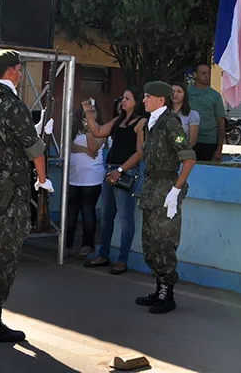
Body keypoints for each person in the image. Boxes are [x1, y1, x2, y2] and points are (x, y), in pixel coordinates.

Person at [0, 49, 52, 343]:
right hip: (14, 188)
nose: (21, 73)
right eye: (19, 69)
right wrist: (42, 181)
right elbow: (34, 149)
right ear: (11, 70)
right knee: (6, 252)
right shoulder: (13, 105)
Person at [134, 81, 195, 315]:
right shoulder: (152, 123)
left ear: (161, 100)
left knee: (164, 243)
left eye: (148, 96)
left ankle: (167, 295)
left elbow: (188, 158)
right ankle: (158, 288)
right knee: (150, 243)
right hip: (151, 190)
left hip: (165, 190)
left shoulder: (170, 123)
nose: (144, 100)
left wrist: (176, 190)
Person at [84, 89, 145, 273]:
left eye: (127, 98)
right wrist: (89, 115)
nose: (123, 101)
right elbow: (98, 131)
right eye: (122, 98)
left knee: (126, 218)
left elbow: (140, 152)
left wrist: (121, 170)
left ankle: (122, 260)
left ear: (136, 102)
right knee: (106, 216)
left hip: (124, 172)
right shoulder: (119, 120)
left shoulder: (141, 122)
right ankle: (103, 255)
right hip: (111, 170)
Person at [65, 103, 104, 259]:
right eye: (87, 111)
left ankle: (87, 244)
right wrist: (84, 150)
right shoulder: (74, 128)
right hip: (74, 177)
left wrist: (89, 128)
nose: (89, 113)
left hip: (92, 178)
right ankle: (67, 244)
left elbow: (94, 147)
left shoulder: (101, 129)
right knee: (71, 212)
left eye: (93, 111)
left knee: (88, 211)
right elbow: (69, 146)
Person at [187, 64, 226, 161]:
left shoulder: (215, 96)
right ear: (195, 75)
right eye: (203, 73)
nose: (206, 76)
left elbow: (221, 122)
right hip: (189, 141)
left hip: (209, 141)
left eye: (208, 73)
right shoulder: (186, 93)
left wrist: (219, 149)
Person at [171, 82, 199, 146]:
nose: (175, 94)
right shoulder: (164, 112)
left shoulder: (192, 115)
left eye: (179, 92)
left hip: (182, 151)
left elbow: (192, 140)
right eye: (173, 91)